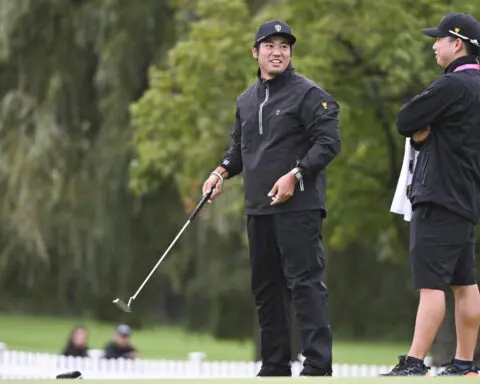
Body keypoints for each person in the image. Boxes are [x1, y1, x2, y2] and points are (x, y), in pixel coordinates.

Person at [201, 20, 341, 377]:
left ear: (291, 53)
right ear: (256, 52)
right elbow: (240, 149)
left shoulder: (309, 94)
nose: (278, 52)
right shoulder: (246, 100)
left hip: (299, 207)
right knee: (266, 289)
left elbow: (328, 143)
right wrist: (220, 172)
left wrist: (295, 175)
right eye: (270, 45)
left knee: (305, 285)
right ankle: (275, 365)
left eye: (284, 46)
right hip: (259, 208)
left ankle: (316, 365)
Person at [383, 12, 480, 376]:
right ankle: (465, 364)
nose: (434, 46)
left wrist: (425, 130)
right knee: (465, 282)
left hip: (438, 194)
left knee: (431, 285)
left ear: (457, 43)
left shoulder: (450, 86)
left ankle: (414, 362)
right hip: (468, 197)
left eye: (438, 39)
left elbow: (405, 120)